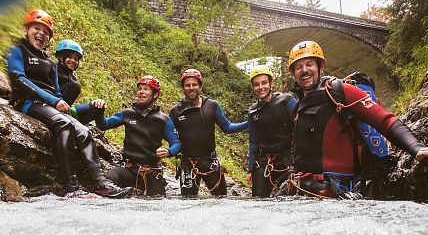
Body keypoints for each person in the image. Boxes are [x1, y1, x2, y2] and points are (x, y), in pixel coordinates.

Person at [287, 40, 428, 199]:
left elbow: (385, 121)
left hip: (337, 194)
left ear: (321, 67)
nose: (305, 70)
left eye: (309, 64)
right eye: (299, 67)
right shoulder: (296, 108)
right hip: (302, 191)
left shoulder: (341, 92)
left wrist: (417, 148)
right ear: (293, 73)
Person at [6, 9, 132, 198]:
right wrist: (53, 101)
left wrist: (60, 103)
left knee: (84, 131)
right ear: (27, 29)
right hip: (28, 102)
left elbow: (56, 91)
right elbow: (18, 79)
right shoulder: (18, 49)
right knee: (63, 124)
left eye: (46, 32)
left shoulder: (49, 62)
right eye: (36, 28)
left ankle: (101, 184)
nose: (41, 33)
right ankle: (71, 187)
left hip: (50, 105)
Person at [95, 75, 181, 196]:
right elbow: (103, 125)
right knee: (107, 178)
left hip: (152, 171)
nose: (141, 92)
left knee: (157, 202)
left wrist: (168, 151)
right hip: (129, 169)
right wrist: (99, 110)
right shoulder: (127, 114)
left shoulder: (163, 119)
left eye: (146, 89)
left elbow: (177, 143)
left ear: (155, 94)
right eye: (139, 88)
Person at [169, 68, 247, 196]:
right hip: (188, 164)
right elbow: (169, 135)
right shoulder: (175, 111)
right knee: (187, 204)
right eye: (187, 85)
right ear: (183, 88)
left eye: (194, 84)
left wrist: (248, 123)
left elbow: (227, 127)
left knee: (221, 200)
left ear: (200, 87)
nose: (191, 88)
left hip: (210, 162)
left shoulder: (212, 106)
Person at [247, 65, 297, 198]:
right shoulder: (252, 111)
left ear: (271, 83)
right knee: (257, 201)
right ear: (253, 87)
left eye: (264, 83)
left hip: (287, 160)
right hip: (264, 162)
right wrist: (250, 169)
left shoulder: (286, 100)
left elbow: (300, 127)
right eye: (256, 84)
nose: (260, 87)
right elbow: (253, 141)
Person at [55, 39, 106, 124]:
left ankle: (74, 124)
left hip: (67, 109)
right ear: (61, 57)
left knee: (98, 107)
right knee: (75, 86)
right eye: (70, 57)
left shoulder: (73, 78)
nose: (73, 61)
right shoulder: (52, 69)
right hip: (53, 105)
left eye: (76, 59)